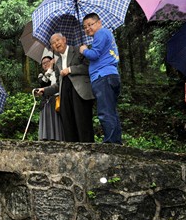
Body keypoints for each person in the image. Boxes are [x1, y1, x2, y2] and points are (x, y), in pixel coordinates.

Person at [36, 33, 94, 143]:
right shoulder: (58, 62)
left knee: (83, 123)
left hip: (79, 92)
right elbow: (58, 84)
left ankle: (88, 150)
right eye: (53, 43)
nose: (56, 43)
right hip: (64, 95)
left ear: (64, 40)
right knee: (68, 124)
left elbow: (88, 67)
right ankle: (73, 151)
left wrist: (70, 69)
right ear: (52, 47)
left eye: (58, 40)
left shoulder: (78, 50)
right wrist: (45, 90)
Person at [79, 14, 122, 144]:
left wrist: (84, 50)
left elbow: (94, 54)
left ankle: (111, 143)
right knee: (110, 110)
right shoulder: (105, 35)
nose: (88, 29)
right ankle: (115, 141)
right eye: (85, 27)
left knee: (105, 111)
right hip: (110, 75)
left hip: (103, 76)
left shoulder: (101, 33)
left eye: (90, 24)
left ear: (99, 22)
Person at [36, 55, 64, 141]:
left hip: (57, 100)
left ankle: (58, 138)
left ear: (52, 61)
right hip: (46, 101)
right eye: (43, 63)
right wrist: (50, 69)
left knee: (57, 120)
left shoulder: (58, 72)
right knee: (47, 120)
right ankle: (46, 138)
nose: (45, 64)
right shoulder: (42, 75)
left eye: (47, 62)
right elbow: (43, 83)